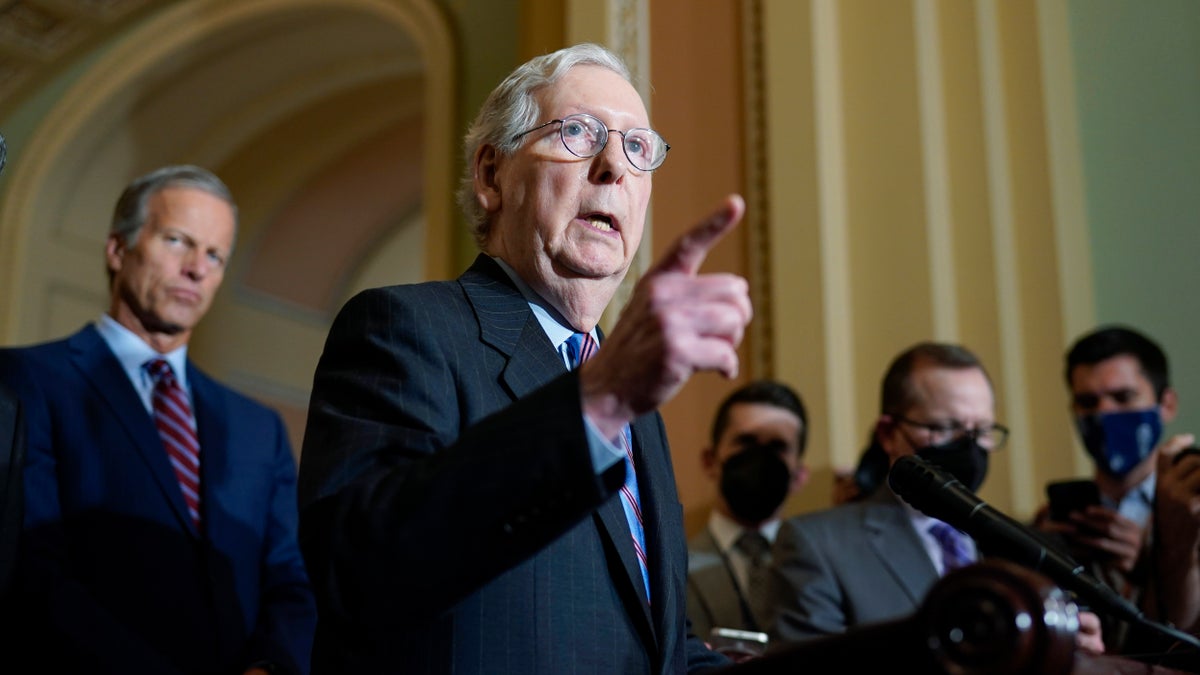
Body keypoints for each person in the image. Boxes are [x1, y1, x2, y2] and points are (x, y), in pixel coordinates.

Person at [297, 43, 751, 673]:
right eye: (577, 133)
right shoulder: (405, 329)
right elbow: (361, 570)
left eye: (637, 148)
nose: (613, 167)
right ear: (491, 176)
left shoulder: (632, 403)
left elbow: (657, 646)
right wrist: (601, 398)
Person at [0, 165, 316, 674]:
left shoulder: (257, 427)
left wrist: (270, 667)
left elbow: (290, 579)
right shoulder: (25, 380)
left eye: (215, 255)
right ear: (117, 249)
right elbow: (34, 567)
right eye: (177, 241)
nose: (197, 269)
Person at [1036, 325, 1197, 650]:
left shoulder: (1192, 509)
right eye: (1087, 401)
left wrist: (1154, 565)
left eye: (1123, 397)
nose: (1104, 412)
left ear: (1166, 404)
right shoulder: (1050, 523)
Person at [686, 379, 809, 641]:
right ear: (710, 461)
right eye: (746, 442)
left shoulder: (821, 566)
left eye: (778, 447)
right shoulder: (673, 567)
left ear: (799, 475)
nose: (759, 458)